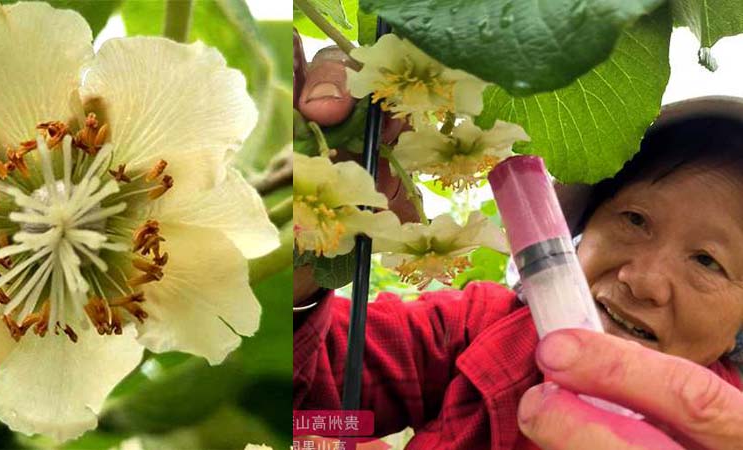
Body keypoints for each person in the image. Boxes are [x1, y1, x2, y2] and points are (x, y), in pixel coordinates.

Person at [293, 46, 743, 450]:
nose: (642, 281)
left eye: (708, 261)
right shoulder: (481, 326)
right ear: (580, 230)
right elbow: (313, 394)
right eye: (635, 220)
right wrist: (303, 254)